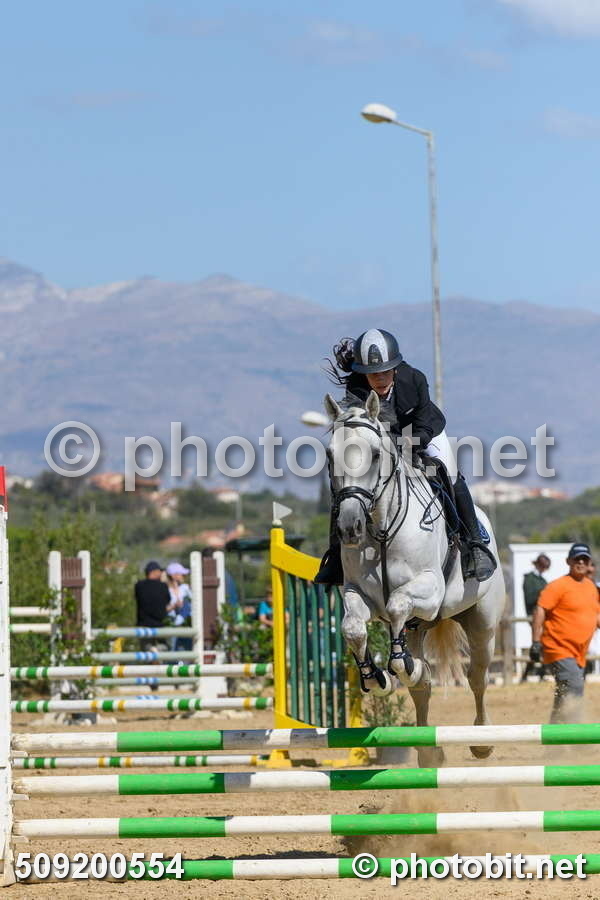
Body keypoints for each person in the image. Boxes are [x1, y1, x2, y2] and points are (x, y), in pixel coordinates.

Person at [315, 329, 496, 585]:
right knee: (347, 483)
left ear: (395, 368)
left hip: (424, 434)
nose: (379, 378)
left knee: (449, 473)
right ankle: (336, 553)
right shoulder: (356, 386)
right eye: (372, 374)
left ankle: (475, 544)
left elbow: (423, 425)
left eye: (385, 371)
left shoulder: (415, 379)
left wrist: (407, 444)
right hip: (382, 439)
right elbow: (361, 429)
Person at [530, 543, 600, 723]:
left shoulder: (591, 587)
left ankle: (555, 734)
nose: (581, 562)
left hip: (578, 653)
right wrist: (536, 642)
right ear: (568, 561)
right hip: (558, 648)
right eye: (577, 559)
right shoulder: (557, 586)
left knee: (564, 694)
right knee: (574, 686)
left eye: (584, 559)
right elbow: (540, 610)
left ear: (589, 563)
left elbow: (595, 616)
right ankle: (575, 731)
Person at [520, 553, 551, 683]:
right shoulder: (529, 578)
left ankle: (536, 674)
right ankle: (531, 674)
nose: (544, 569)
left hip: (545, 615)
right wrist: (544, 592)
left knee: (541, 644)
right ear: (538, 564)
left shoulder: (542, 580)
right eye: (543, 566)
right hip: (534, 615)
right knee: (538, 644)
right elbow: (529, 597)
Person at [165, 562, 193, 652]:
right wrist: (174, 606)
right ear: (174, 576)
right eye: (182, 574)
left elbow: (193, 602)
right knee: (172, 650)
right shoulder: (165, 590)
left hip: (186, 625)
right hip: (171, 625)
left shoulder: (185, 588)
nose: (184, 576)